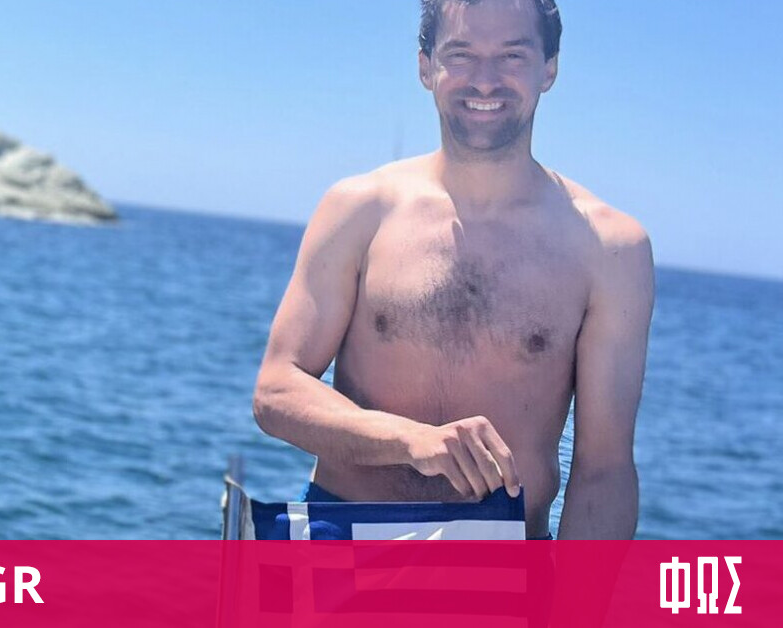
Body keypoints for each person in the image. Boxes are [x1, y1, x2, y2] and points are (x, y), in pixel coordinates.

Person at [251, 0, 654, 540]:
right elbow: (277, 392)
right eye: (461, 54)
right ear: (426, 67)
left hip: (503, 559)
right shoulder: (359, 210)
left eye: (512, 55)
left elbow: (604, 470)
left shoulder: (610, 249)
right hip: (341, 541)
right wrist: (409, 442)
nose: (485, 80)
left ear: (549, 69)